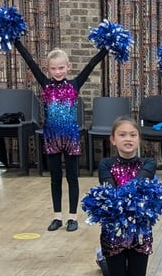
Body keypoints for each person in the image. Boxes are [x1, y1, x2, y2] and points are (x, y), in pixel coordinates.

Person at [14, 39, 108, 232]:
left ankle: (72, 217)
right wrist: (16, 42)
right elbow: (30, 62)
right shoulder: (46, 85)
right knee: (55, 178)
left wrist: (106, 49)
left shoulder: (74, 84)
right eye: (54, 69)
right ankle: (57, 216)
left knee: (72, 178)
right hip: (52, 138)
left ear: (68, 67)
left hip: (71, 138)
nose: (58, 72)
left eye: (61, 68)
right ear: (48, 70)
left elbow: (91, 65)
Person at [95, 116, 158, 276]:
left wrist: (123, 199)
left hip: (139, 230)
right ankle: (102, 260)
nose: (128, 139)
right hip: (114, 230)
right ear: (113, 140)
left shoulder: (149, 163)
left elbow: (135, 187)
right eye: (122, 135)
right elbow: (112, 193)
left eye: (133, 135)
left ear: (139, 139)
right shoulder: (105, 164)